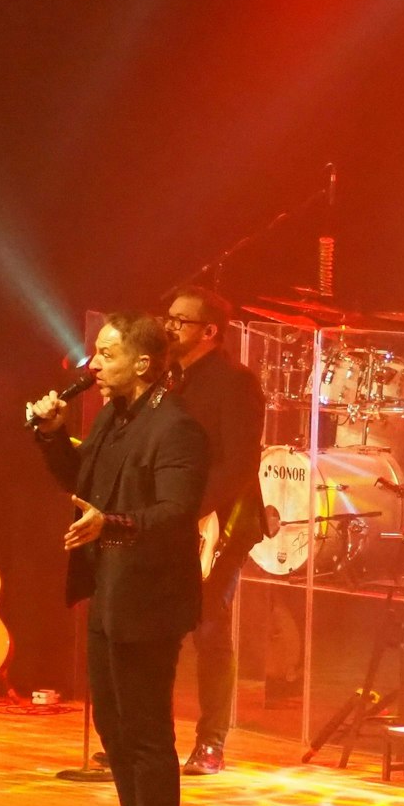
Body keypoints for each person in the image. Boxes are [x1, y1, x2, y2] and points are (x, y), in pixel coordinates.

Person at [30, 313, 209, 806]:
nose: (95, 367)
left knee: (146, 734)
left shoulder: (176, 427)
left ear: (144, 362)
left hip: (152, 598)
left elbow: (176, 513)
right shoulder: (115, 416)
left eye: (106, 355)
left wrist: (114, 524)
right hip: (111, 590)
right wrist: (54, 435)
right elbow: (82, 483)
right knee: (114, 729)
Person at [162, 284, 266, 776]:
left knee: (208, 625)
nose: (169, 326)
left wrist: (195, 509)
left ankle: (211, 744)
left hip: (223, 521)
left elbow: (240, 464)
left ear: (209, 330)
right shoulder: (169, 378)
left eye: (180, 320)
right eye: (169, 317)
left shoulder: (235, 382)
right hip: (174, 516)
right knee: (157, 626)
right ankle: (150, 738)